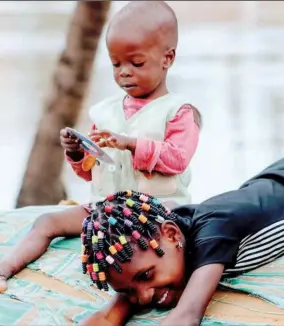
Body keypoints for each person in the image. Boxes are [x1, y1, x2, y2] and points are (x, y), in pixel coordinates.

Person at [0, 146, 284, 326]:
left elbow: (187, 316)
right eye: (132, 288)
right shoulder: (160, 222)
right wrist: (2, 269)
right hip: (272, 178)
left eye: (146, 276)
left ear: (173, 237)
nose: (145, 294)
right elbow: (49, 223)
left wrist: (117, 310)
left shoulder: (213, 233)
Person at [59, 1, 202, 205]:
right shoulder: (104, 113)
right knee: (48, 223)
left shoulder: (179, 112)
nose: (124, 71)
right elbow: (92, 171)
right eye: (116, 64)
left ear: (167, 58)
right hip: (107, 211)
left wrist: (132, 144)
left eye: (137, 63)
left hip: (156, 215)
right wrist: (76, 150)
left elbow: (178, 159)